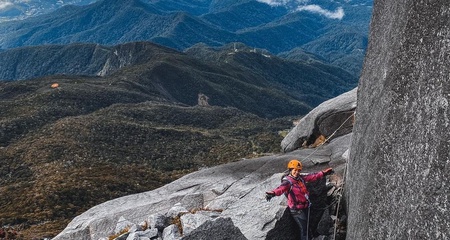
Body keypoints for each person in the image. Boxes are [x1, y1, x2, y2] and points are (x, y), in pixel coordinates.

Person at [265, 159, 333, 240]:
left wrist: (323, 173)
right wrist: (272, 193)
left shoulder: (300, 178)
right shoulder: (288, 182)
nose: (296, 172)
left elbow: (312, 176)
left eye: (298, 170)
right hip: (297, 210)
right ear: (290, 170)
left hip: (305, 207)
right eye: (295, 170)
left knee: (307, 227)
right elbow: (280, 189)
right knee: (304, 229)